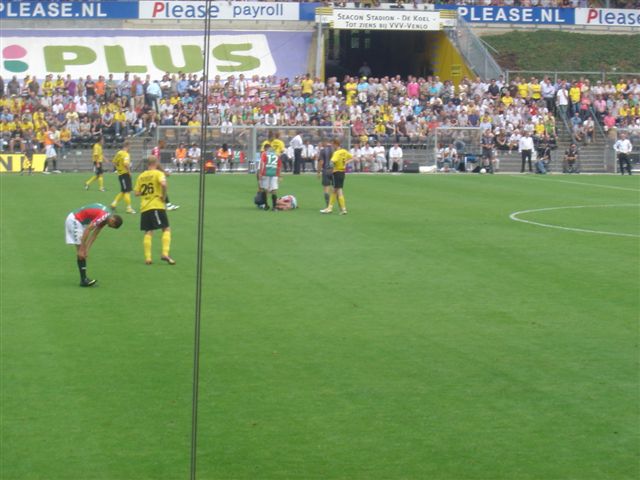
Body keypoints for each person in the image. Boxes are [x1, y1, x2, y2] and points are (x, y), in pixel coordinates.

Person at [65, 203, 123, 286]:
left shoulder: (107, 217)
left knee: (82, 253)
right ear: (113, 220)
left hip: (80, 222)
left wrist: (87, 249)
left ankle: (84, 279)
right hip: (75, 220)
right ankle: (83, 280)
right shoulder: (104, 216)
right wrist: (82, 248)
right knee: (81, 253)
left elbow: (95, 234)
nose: (109, 227)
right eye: (111, 226)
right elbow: (89, 229)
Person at [134, 155, 175, 265]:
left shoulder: (141, 176)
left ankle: (148, 258)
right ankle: (165, 253)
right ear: (156, 163)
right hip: (156, 205)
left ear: (147, 164)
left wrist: (146, 192)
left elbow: (136, 193)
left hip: (144, 207)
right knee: (166, 228)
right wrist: (163, 196)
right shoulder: (158, 173)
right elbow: (164, 184)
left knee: (148, 231)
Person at [320, 139, 352, 215]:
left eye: (332, 145)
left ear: (335, 144)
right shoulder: (344, 151)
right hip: (342, 172)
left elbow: (331, 163)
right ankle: (339, 209)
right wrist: (345, 163)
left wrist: (330, 168)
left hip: (336, 172)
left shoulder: (336, 153)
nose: (332, 146)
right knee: (337, 190)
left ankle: (333, 208)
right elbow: (352, 157)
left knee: (336, 191)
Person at [110, 141, 136, 214]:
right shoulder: (126, 154)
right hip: (125, 174)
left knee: (123, 191)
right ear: (127, 146)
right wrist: (129, 172)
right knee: (127, 191)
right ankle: (129, 208)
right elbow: (126, 164)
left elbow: (114, 162)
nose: (130, 148)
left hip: (120, 174)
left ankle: (113, 204)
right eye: (130, 146)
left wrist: (118, 169)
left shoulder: (119, 153)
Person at [258, 143, 282, 211]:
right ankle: (274, 207)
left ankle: (266, 205)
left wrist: (260, 173)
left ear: (265, 149)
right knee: (274, 190)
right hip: (274, 173)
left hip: (266, 173)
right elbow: (279, 165)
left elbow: (262, 163)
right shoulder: (276, 154)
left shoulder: (264, 154)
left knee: (265, 190)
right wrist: (279, 175)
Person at [317, 140, 334, 208]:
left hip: (326, 171)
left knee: (326, 189)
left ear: (324, 142)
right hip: (334, 171)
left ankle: (328, 205)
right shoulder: (334, 150)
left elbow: (321, 162)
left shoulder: (323, 151)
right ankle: (341, 206)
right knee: (336, 189)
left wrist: (318, 172)